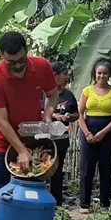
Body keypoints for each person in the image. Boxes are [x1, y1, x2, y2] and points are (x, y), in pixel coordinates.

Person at [0, 32, 58, 220]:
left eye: (21, 60)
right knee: (1, 186)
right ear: (1, 56)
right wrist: (21, 150)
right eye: (11, 62)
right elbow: (1, 120)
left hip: (32, 136)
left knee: (33, 185)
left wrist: (48, 113)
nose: (17, 66)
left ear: (27, 51)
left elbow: (53, 94)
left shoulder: (41, 67)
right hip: (1, 139)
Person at [77, 58, 111, 213]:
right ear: (95, 74)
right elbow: (79, 113)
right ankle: (84, 203)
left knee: (106, 166)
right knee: (86, 167)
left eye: (105, 73)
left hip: (108, 132)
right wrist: (87, 133)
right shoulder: (87, 91)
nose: (102, 76)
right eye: (99, 73)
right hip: (89, 130)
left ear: (109, 75)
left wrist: (103, 133)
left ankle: (105, 203)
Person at [48, 62, 79, 206]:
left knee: (57, 170)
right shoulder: (44, 93)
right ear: (55, 76)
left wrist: (68, 116)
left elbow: (76, 114)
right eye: (64, 74)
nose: (67, 77)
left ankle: (56, 203)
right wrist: (53, 115)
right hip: (44, 138)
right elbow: (37, 111)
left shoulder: (69, 94)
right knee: (42, 167)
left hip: (62, 137)